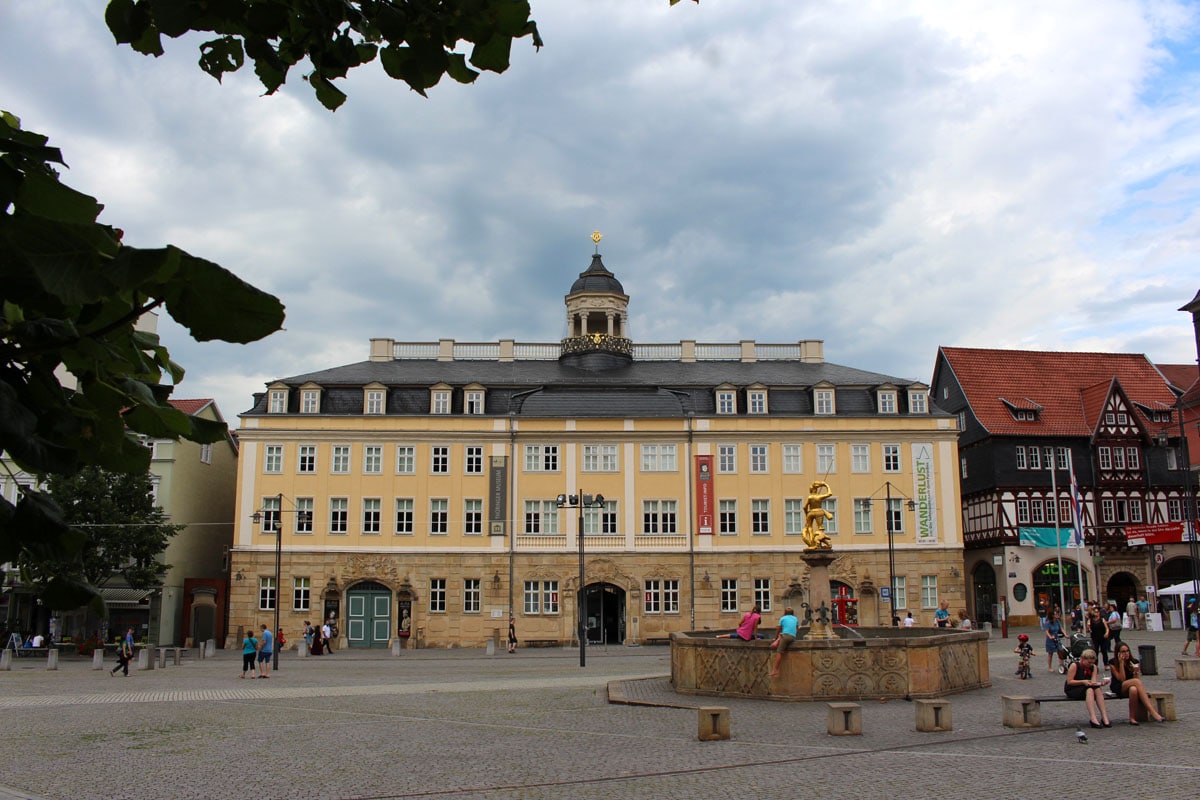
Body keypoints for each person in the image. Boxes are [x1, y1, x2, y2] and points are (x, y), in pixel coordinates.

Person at [1109, 643, 1166, 724]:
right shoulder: (1113, 662)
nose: (1126, 653)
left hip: (1131, 685)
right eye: (1123, 651)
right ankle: (1152, 712)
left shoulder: (1134, 661)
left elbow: (1137, 680)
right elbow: (1121, 679)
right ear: (1118, 653)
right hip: (1118, 686)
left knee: (1134, 690)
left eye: (1127, 651)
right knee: (1136, 682)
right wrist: (1121, 663)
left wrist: (1135, 672)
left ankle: (1132, 718)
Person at [1065, 648, 1112, 728]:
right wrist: (1083, 682)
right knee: (1090, 690)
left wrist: (1101, 684)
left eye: (1092, 662)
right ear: (1083, 659)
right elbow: (1070, 681)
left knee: (1097, 689)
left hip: (1086, 687)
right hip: (1073, 688)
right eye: (1089, 662)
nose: (1090, 664)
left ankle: (1104, 717)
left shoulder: (1094, 667)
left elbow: (1092, 683)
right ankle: (1093, 718)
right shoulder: (1075, 665)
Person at [768, 607, 799, 677]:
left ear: (785, 612)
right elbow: (796, 629)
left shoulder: (783, 618)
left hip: (785, 637)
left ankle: (776, 669)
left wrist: (775, 637)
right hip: (792, 637)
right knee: (782, 635)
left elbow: (779, 629)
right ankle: (777, 641)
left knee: (779, 652)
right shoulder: (795, 618)